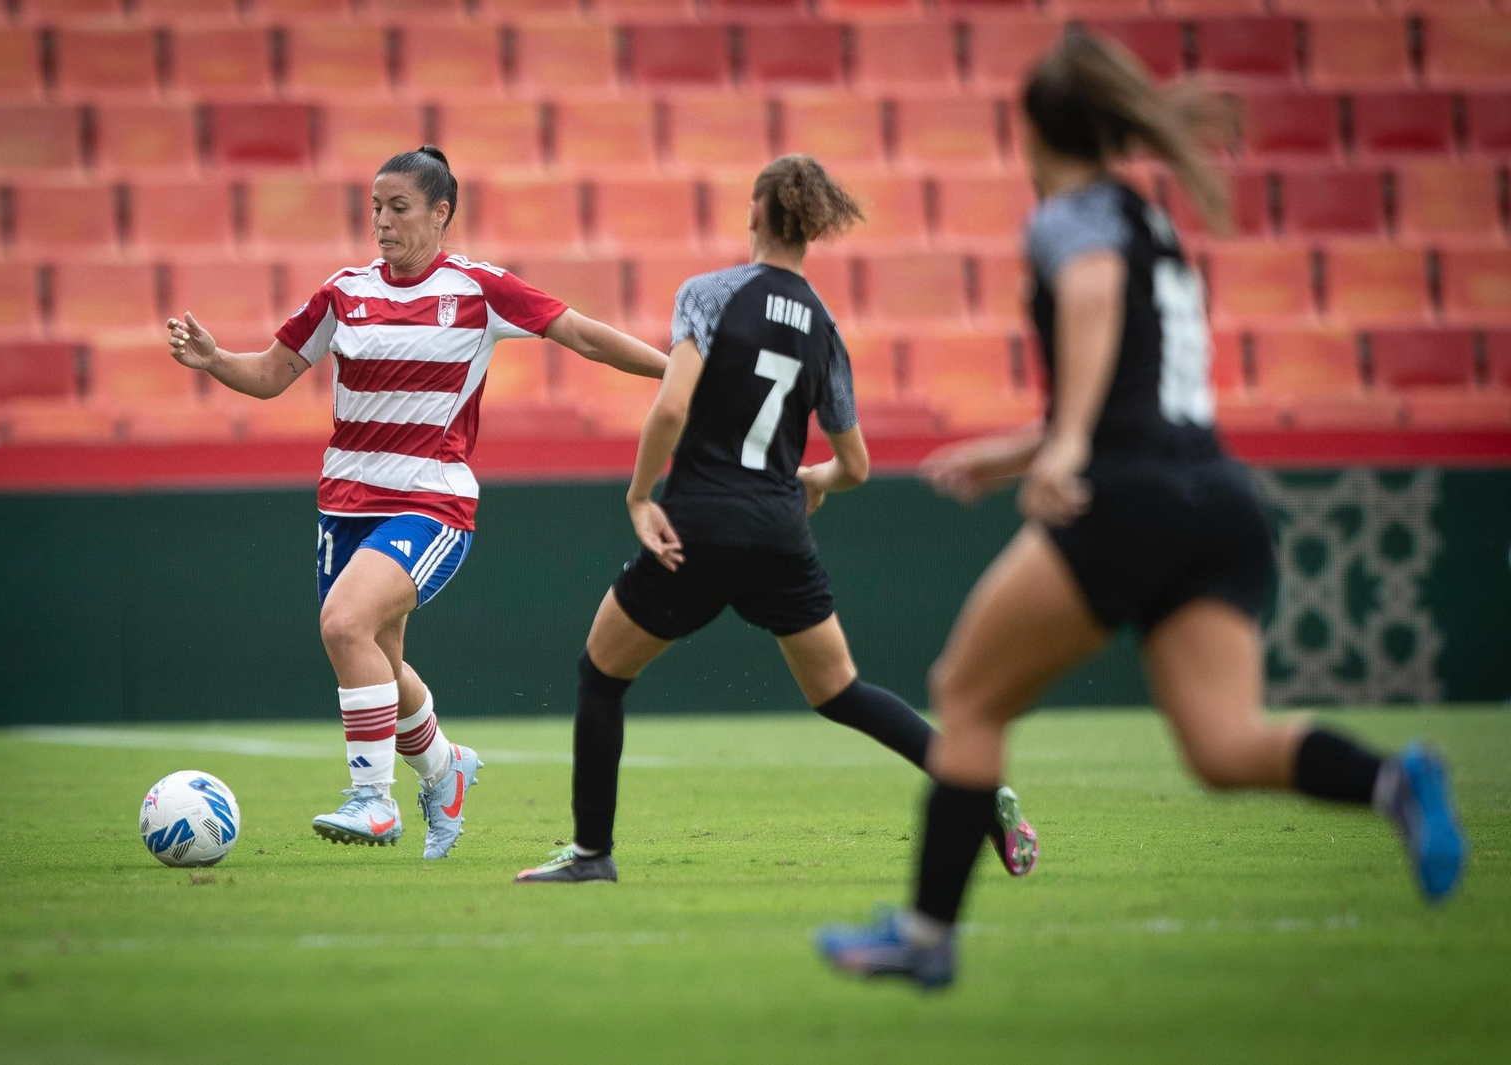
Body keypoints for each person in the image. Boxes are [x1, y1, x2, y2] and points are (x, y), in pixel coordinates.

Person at [817, 31, 1468, 988]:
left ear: (1036, 132)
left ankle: (926, 934)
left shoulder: (1070, 221)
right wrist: (1017, 452)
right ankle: (1390, 780)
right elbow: (1139, 377)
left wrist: (1070, 445)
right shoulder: (1149, 222)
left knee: (966, 692)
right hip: (1218, 500)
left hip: (1130, 498)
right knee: (1222, 744)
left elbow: (1091, 299)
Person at [513, 155, 1039, 884]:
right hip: (779, 530)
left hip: (698, 523)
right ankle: (978, 793)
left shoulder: (711, 293)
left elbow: (672, 402)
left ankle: (593, 854)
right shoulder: (824, 327)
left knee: (601, 673)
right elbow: (854, 463)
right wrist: (813, 478)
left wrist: (640, 496)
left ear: (756, 212)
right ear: (815, 225)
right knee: (843, 692)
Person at [164, 147, 669, 859]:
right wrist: (216, 360)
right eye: (374, 207)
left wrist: (674, 369)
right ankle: (443, 769)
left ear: (441, 212)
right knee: (377, 662)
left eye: (398, 207)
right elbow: (273, 374)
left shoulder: (479, 289)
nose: (382, 222)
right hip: (344, 504)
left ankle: (374, 801)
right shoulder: (342, 293)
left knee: (343, 625)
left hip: (430, 502)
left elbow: (581, 333)